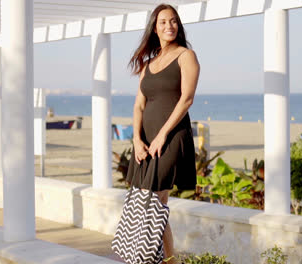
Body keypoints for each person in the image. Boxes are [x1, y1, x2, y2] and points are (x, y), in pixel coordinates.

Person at [125, 4, 200, 263]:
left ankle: (154, 258)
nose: (169, 26)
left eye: (174, 21)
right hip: (145, 139)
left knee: (156, 199)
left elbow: (186, 99)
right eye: (163, 22)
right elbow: (138, 105)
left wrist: (162, 135)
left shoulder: (186, 56)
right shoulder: (148, 65)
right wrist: (136, 139)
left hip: (172, 135)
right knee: (155, 202)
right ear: (155, 28)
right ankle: (169, 258)